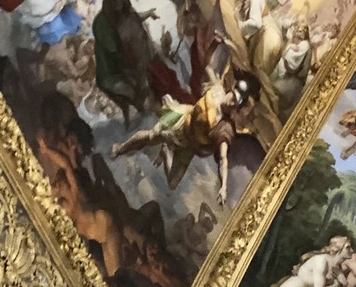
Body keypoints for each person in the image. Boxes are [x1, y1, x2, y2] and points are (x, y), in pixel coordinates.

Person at [111, 74, 260, 205]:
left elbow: (223, 158)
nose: (231, 102)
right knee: (150, 137)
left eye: (235, 102)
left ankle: (166, 152)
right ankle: (120, 148)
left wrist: (224, 187)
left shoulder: (225, 127)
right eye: (232, 96)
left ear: (237, 107)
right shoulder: (217, 91)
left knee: (172, 183)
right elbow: (208, 70)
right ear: (231, 91)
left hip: (189, 144)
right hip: (181, 121)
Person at [92, 0, 160, 126]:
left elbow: (132, 19)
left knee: (121, 77)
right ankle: (132, 105)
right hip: (107, 37)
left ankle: (135, 105)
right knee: (109, 77)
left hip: (113, 40)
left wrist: (147, 14)